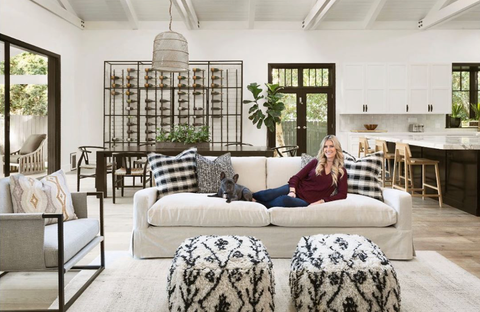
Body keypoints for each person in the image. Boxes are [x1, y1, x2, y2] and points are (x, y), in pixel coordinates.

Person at [253, 135, 348, 208]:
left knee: (283, 200)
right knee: (268, 194)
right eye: (325, 146)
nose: (328, 149)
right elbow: (296, 177)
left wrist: (322, 201)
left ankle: (257, 204)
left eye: (331, 146)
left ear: (337, 148)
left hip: (306, 201)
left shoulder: (341, 171)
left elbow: (342, 194)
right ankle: (247, 196)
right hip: (295, 189)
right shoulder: (315, 162)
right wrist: (292, 191)